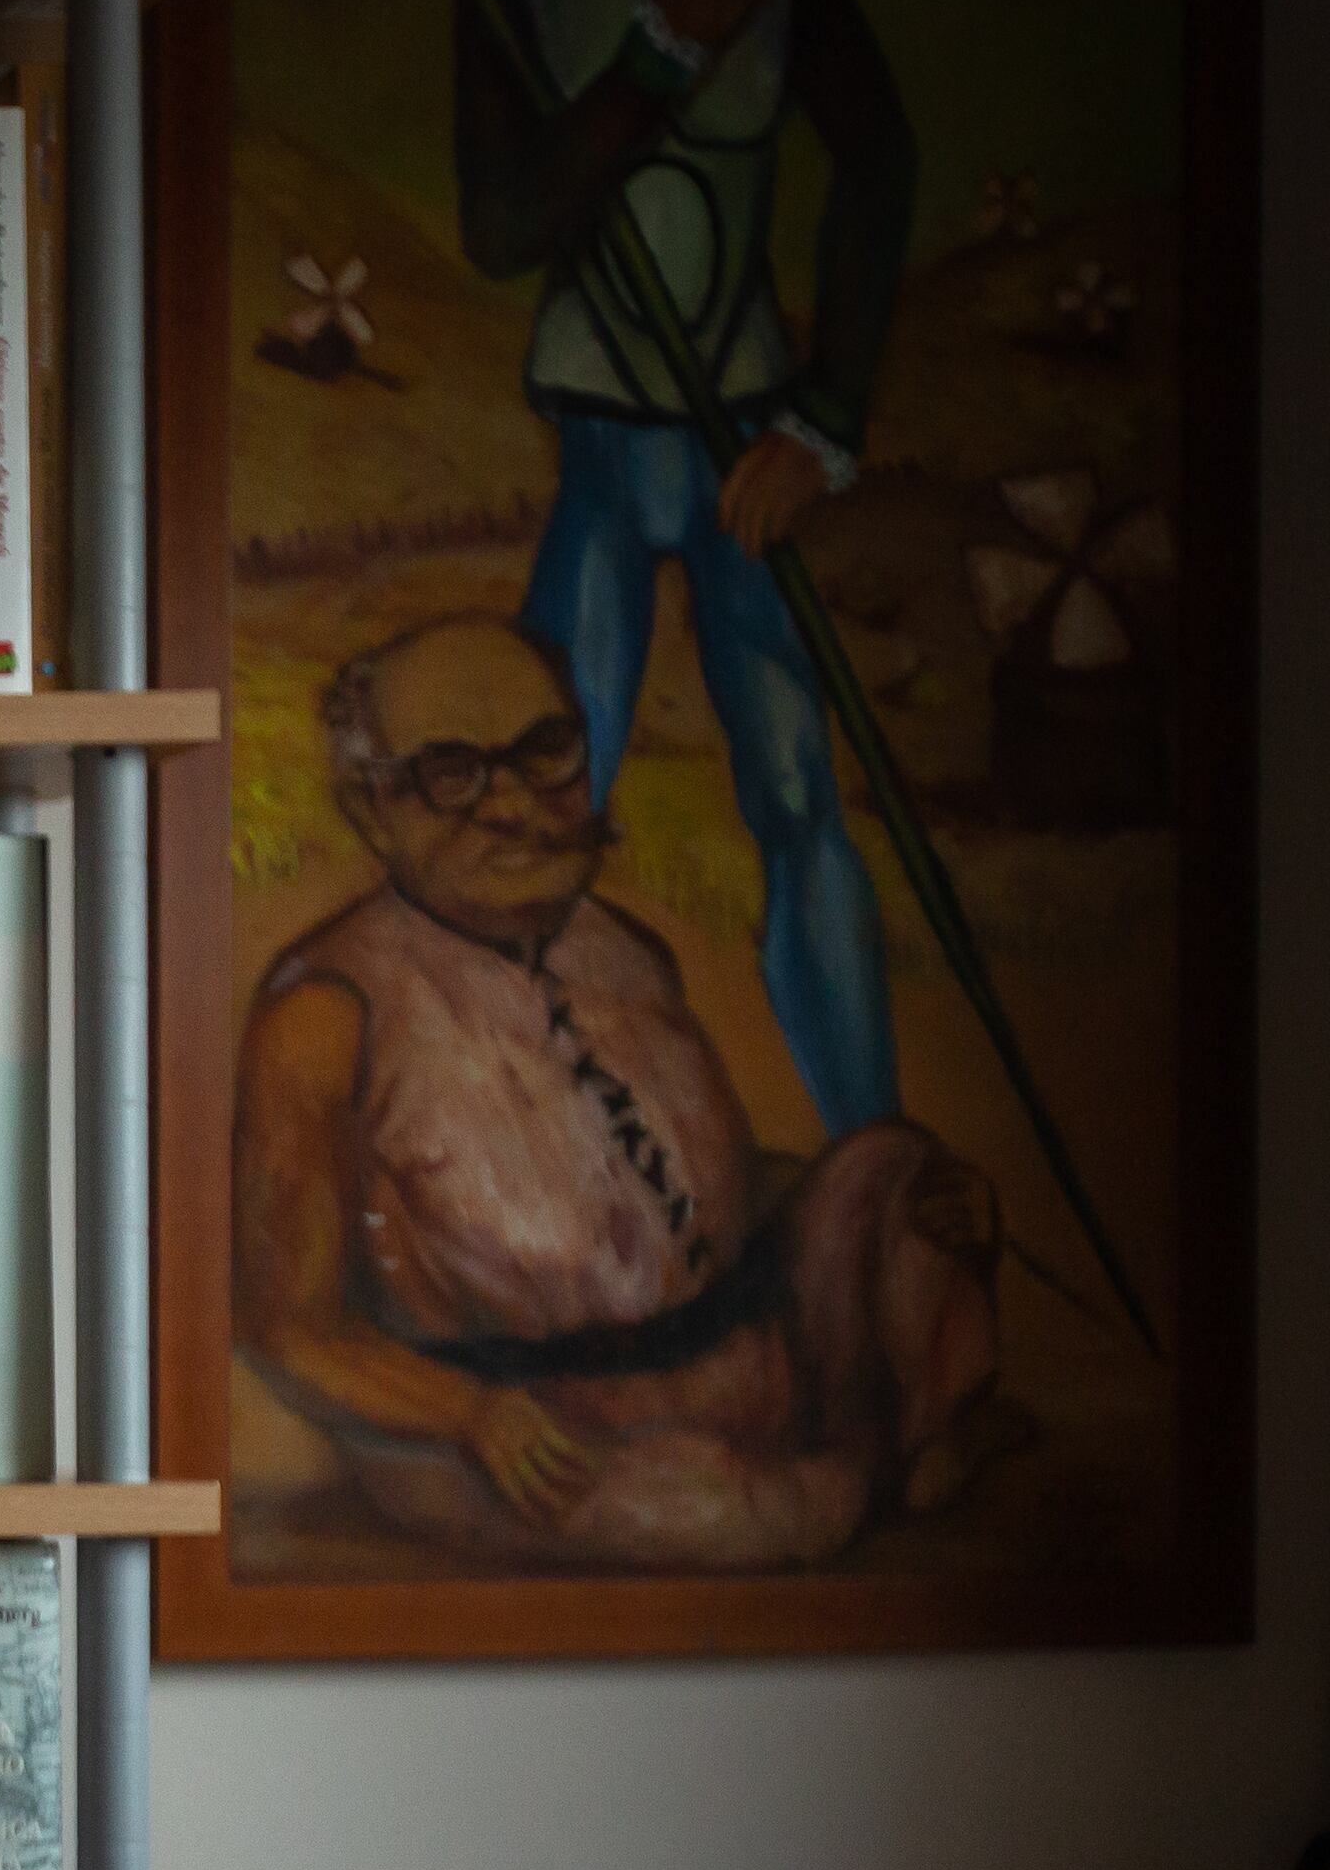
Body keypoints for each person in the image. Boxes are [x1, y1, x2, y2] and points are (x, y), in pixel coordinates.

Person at [234, 614, 1001, 1569]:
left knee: (896, 1167)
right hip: (522, 1439)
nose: (514, 805)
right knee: (736, 1513)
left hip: (720, 1366)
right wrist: (475, 1415)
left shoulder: (629, 951)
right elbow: (287, 1327)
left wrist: (882, 1206)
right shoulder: (322, 1014)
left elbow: (699, 1200)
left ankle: (848, 1462)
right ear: (373, 810)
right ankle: (870, 1464)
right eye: (452, 772)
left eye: (543, 752)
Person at [457, 0, 919, 1138]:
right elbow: (502, 226)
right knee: (548, 797)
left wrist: (825, 418)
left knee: (798, 792)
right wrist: (658, 60)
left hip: (740, 450)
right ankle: (519, 1168)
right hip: (598, 446)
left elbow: (880, 161)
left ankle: (869, 1155)